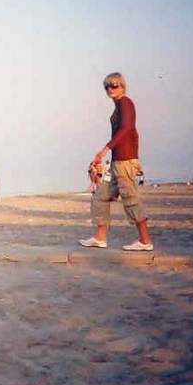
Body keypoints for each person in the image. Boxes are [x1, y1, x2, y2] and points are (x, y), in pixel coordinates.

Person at [79, 73, 153, 251]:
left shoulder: (126, 102)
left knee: (131, 199)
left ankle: (145, 241)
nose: (110, 89)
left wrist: (105, 149)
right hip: (116, 163)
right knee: (100, 195)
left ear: (123, 87)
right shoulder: (118, 105)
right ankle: (100, 238)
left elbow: (127, 129)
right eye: (107, 86)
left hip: (125, 162)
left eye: (114, 85)